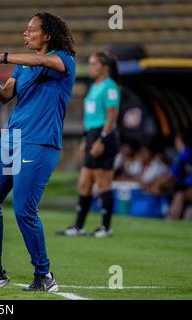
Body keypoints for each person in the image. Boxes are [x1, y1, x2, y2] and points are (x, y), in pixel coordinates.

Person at [0, 12, 76, 292]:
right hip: (11, 140)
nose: (26, 33)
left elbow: (43, 60)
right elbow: (4, 95)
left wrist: (4, 57)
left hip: (40, 142)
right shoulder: (23, 67)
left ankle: (44, 275)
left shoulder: (63, 59)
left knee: (24, 209)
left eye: (31, 30)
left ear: (48, 35)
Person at [57, 52, 120, 238]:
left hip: (104, 137)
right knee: (84, 183)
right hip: (92, 135)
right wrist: (85, 140)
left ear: (105, 68)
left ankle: (106, 227)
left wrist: (102, 139)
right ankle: (78, 226)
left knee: (103, 183)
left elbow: (111, 117)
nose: (90, 67)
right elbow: (90, 117)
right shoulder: (94, 87)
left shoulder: (110, 87)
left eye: (94, 64)